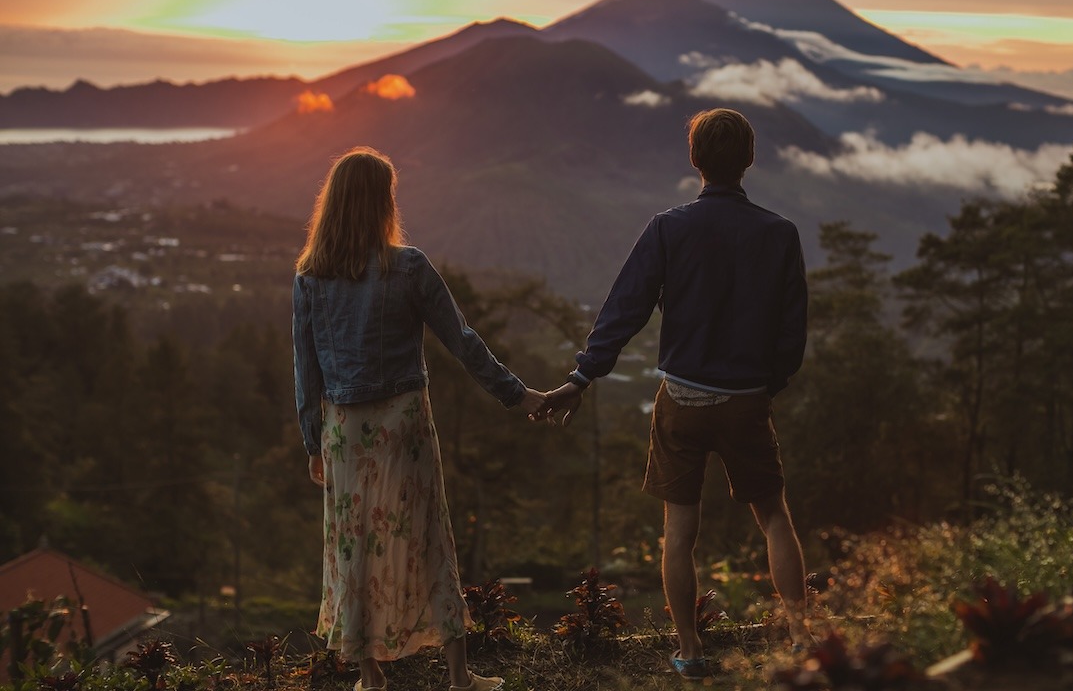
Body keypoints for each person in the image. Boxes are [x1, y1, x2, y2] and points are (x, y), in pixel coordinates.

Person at [536, 108, 811, 678]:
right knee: (774, 517)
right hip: (746, 400)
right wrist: (764, 386)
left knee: (678, 533)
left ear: (695, 160)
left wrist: (582, 376)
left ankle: (689, 652)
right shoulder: (779, 233)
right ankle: (802, 639)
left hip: (681, 401)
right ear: (749, 160)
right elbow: (792, 331)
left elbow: (625, 308)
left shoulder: (668, 228)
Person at [292, 147, 544, 691]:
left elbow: (305, 369)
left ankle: (371, 677)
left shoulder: (311, 276)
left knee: (352, 548)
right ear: (382, 202)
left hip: (344, 431)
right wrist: (515, 395)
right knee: (428, 538)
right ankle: (458, 679)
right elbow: (463, 341)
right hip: (403, 424)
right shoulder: (408, 267)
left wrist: (313, 442)